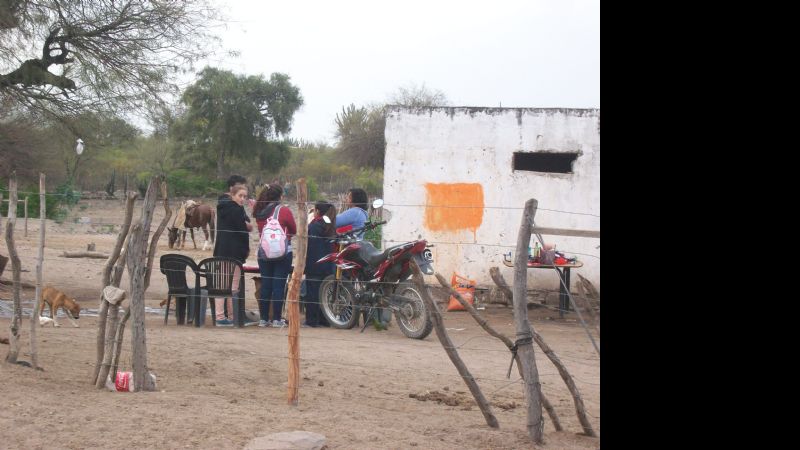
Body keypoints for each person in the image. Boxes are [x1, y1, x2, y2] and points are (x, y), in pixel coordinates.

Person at [254, 184, 296, 327]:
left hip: (264, 253)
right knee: (279, 286)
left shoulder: (259, 212)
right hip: (283, 253)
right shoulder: (284, 211)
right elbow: (294, 229)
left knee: (266, 285)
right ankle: (277, 319)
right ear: (280, 196)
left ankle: (263, 319)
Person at [213, 183, 253, 326]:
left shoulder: (222, 208)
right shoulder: (237, 210)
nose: (242, 199)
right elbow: (243, 231)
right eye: (240, 196)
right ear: (233, 195)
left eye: (244, 196)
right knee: (233, 286)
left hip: (221, 251)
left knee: (223, 285)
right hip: (234, 253)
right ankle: (230, 316)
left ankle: (224, 317)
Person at [303, 201, 336, 327]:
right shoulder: (330, 224)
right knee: (324, 293)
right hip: (328, 265)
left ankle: (311, 321)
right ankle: (325, 320)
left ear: (317, 211)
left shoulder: (314, 226)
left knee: (312, 293)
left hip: (314, 264)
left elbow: (309, 246)